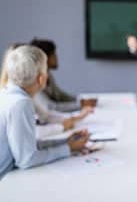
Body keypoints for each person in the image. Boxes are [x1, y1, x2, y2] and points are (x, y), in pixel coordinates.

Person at [0, 45, 89, 180]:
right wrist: (67, 149)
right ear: (41, 79)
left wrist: (66, 142)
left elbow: (29, 146)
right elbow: (27, 160)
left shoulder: (6, 94)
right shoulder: (21, 103)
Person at [0, 44, 93, 139]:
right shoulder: (20, 102)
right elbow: (34, 134)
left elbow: (44, 115)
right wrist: (63, 129)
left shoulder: (19, 95)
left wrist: (72, 120)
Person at [30, 39, 94, 112]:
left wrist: (80, 101)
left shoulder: (47, 74)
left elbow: (59, 95)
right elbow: (50, 107)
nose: (56, 58)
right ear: (45, 58)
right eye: (53, 55)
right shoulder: (32, 81)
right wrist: (80, 105)